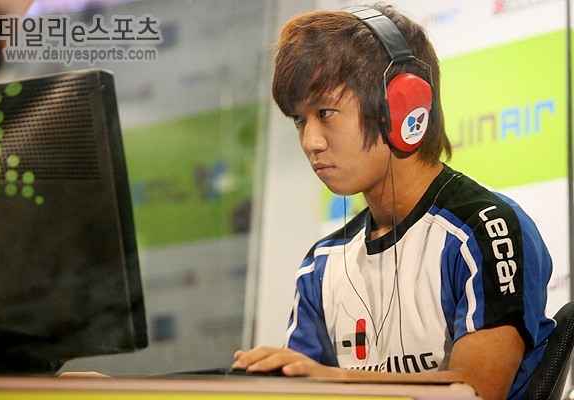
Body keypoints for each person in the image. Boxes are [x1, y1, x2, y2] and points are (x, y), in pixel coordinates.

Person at [231, 3, 554, 400]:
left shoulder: (486, 230)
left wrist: (334, 381)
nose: (310, 141)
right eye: (299, 119)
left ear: (401, 108)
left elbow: (477, 391)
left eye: (325, 112)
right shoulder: (322, 263)